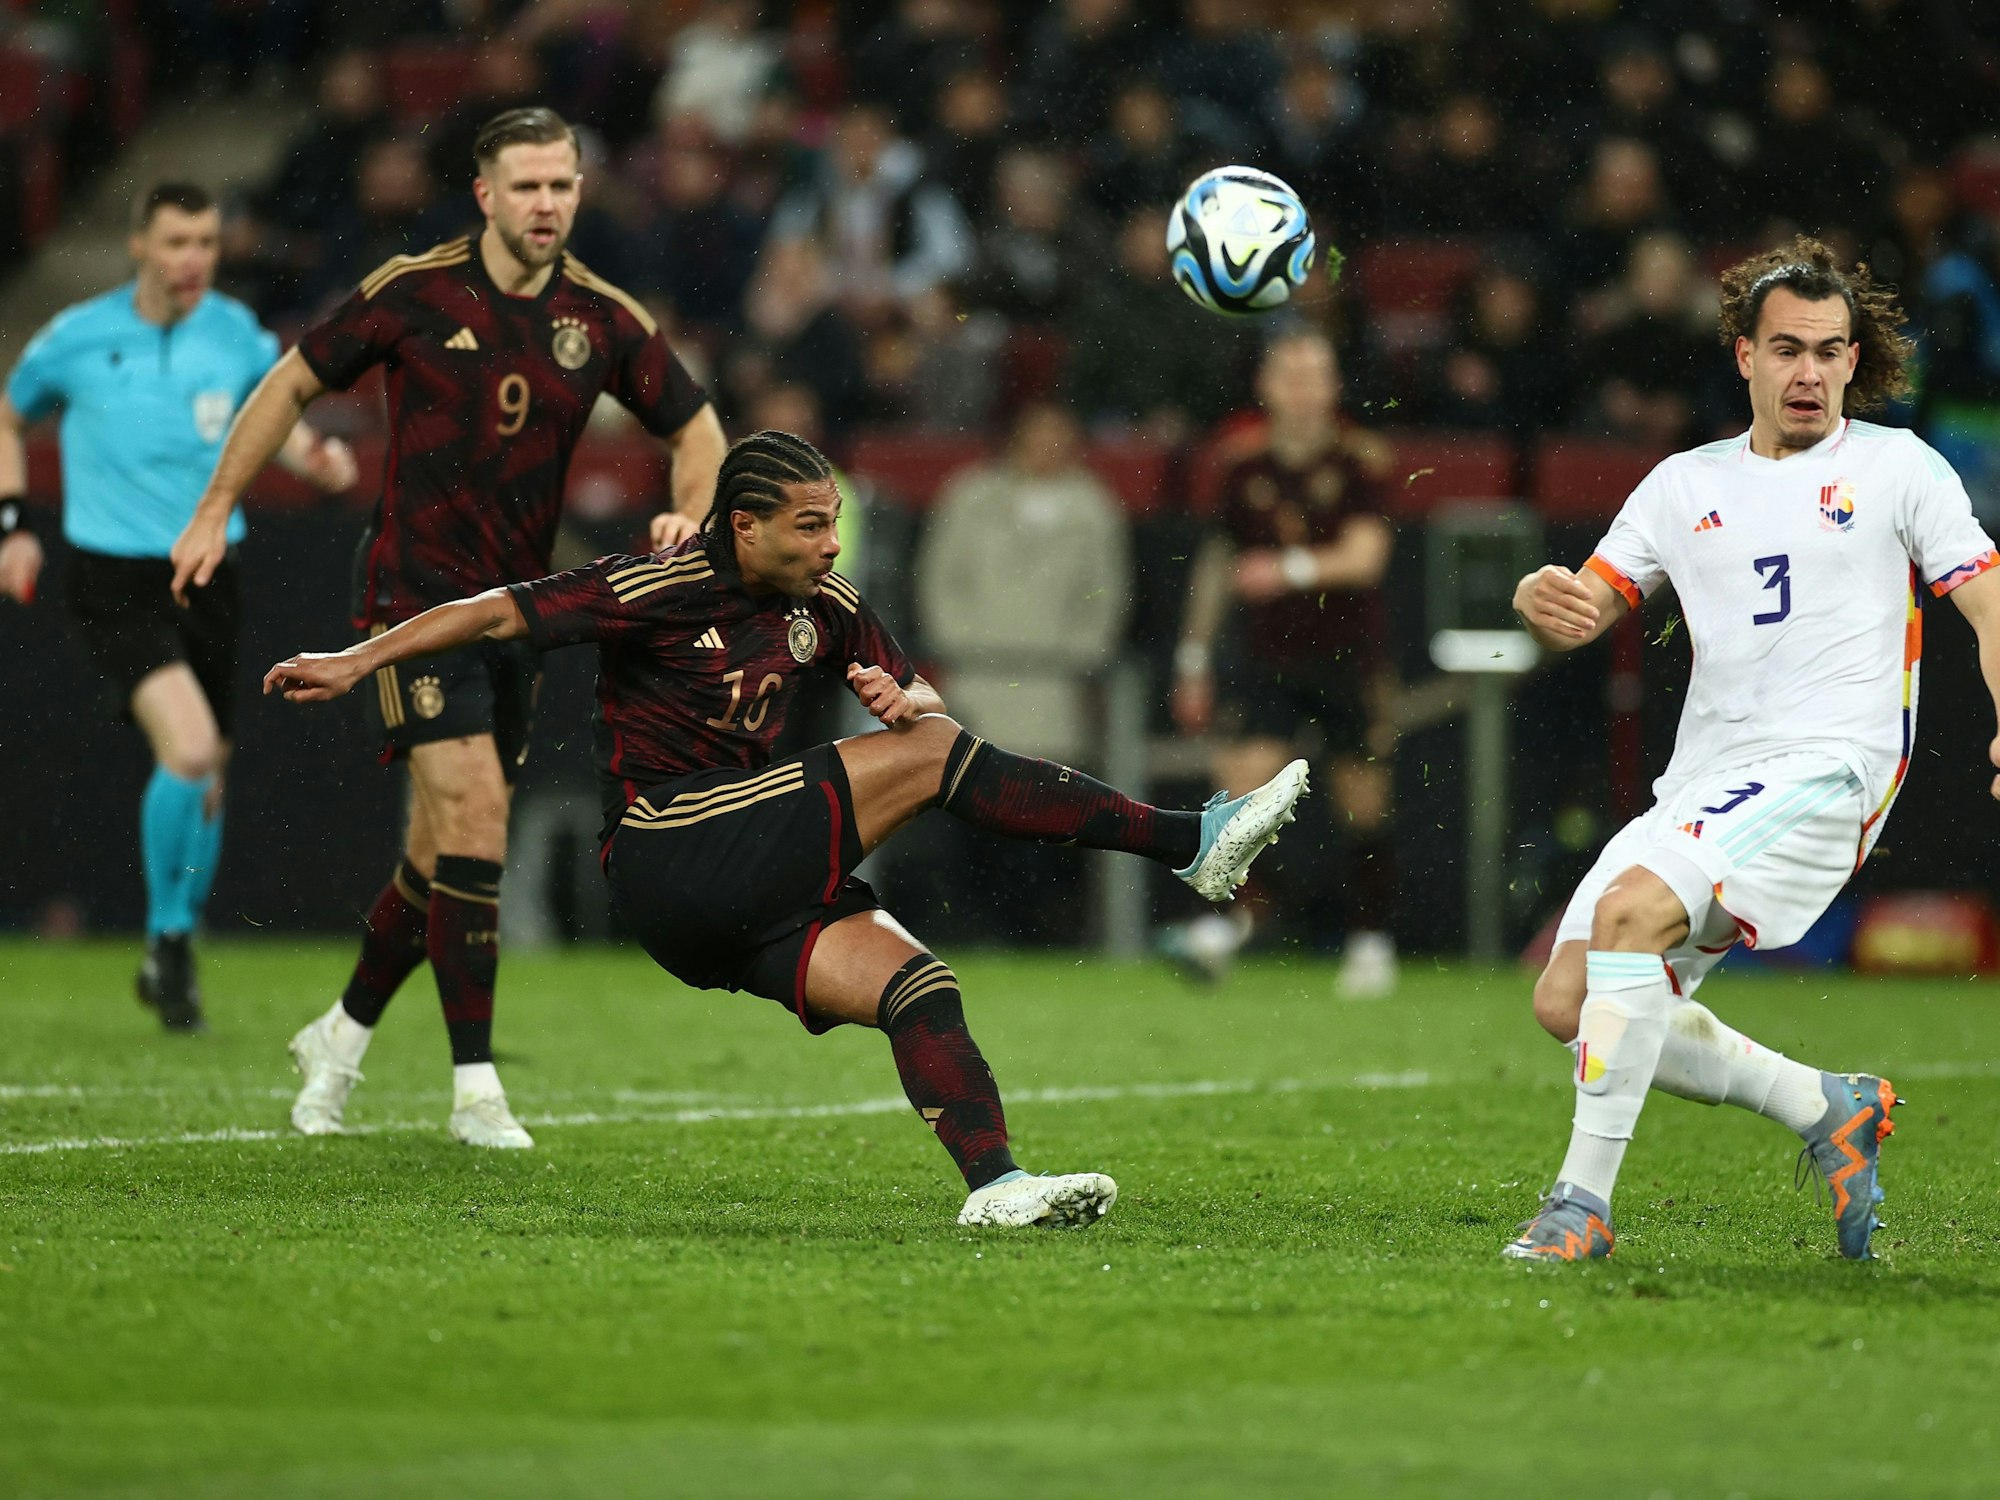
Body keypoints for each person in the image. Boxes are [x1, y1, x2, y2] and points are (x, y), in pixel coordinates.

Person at [260, 429, 1310, 1228]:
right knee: (930, 766)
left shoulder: (828, 601)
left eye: (833, 521)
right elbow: (494, 611)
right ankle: (1190, 842)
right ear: (742, 525)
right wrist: (358, 662)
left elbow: (926, 713)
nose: (829, 541)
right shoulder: (657, 587)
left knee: (917, 985)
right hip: (667, 850)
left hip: (746, 886)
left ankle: (994, 1187)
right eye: (808, 525)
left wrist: (912, 705)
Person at [171, 108, 728, 1147]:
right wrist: (213, 508)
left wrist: (689, 509)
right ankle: (475, 1088)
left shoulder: (600, 318)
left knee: (440, 857)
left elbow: (696, 427)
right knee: (476, 819)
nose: (546, 205)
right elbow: (292, 380)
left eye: (561, 185)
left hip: (516, 613)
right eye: (526, 187)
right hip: (410, 602)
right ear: (484, 194)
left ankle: (337, 1036)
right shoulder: (413, 291)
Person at [1504, 237, 2000, 1262]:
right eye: (1786, 350)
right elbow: (1587, 606)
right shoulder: (1682, 484)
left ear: (1853, 361)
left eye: (1828, 350)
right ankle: (1825, 1106)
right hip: (1705, 779)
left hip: (1828, 768)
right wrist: (1540, 601)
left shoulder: (1896, 467)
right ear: (1742, 356)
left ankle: (1577, 1209)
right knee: (1566, 999)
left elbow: (1987, 605)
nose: (1809, 371)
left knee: (1627, 919)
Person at [0, 182, 357, 1032]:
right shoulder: (78, 339)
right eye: (176, 242)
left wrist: (321, 462)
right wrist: (12, 524)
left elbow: (271, 421)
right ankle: (166, 939)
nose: (194, 258)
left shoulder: (235, 334)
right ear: (139, 246)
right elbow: (8, 417)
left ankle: (177, 945)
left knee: (209, 774)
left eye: (205, 240)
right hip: (114, 577)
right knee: (190, 747)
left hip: (210, 574)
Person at [1167, 328, 1399, 995]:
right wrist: (1192, 658)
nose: (1302, 390)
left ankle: (1370, 942)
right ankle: (1226, 923)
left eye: (1314, 376)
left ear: (1334, 387)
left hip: (1348, 659)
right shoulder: (1241, 466)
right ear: (1266, 387)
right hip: (1268, 659)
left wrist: (1289, 568)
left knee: (1364, 805)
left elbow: (1366, 557)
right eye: (1289, 376)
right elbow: (1216, 564)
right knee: (1239, 789)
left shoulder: (1360, 461)